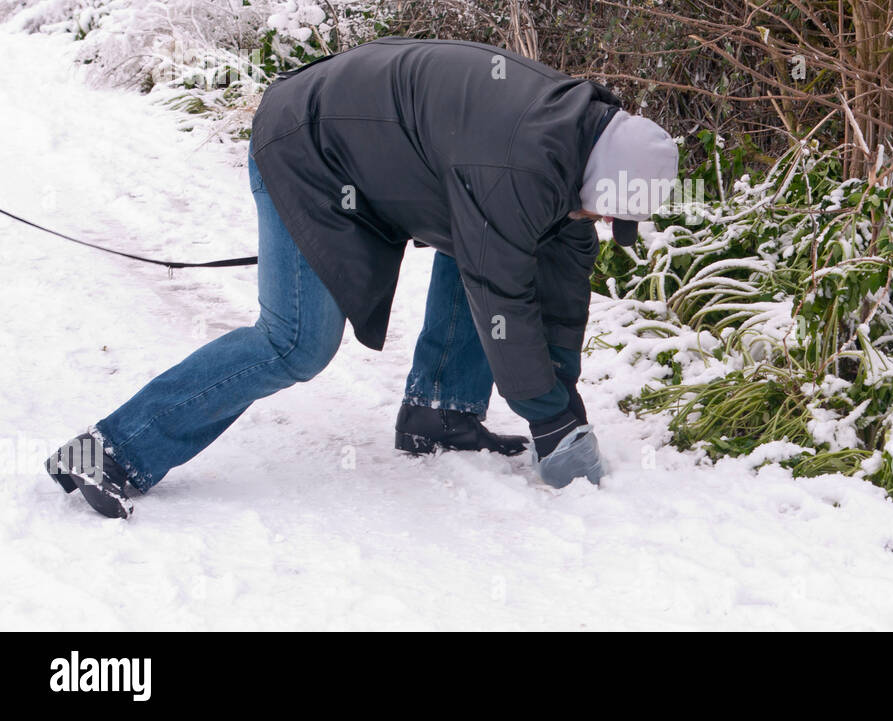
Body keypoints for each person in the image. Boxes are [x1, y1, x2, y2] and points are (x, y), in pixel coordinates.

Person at [45, 37, 679, 517]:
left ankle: (440, 413)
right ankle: (111, 452)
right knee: (296, 342)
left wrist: (564, 399)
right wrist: (549, 420)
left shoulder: (572, 151)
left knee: (485, 244)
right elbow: (504, 301)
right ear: (601, 179)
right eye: (604, 211)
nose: (597, 221)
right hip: (308, 148)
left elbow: (559, 288)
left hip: (380, 155)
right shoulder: (517, 165)